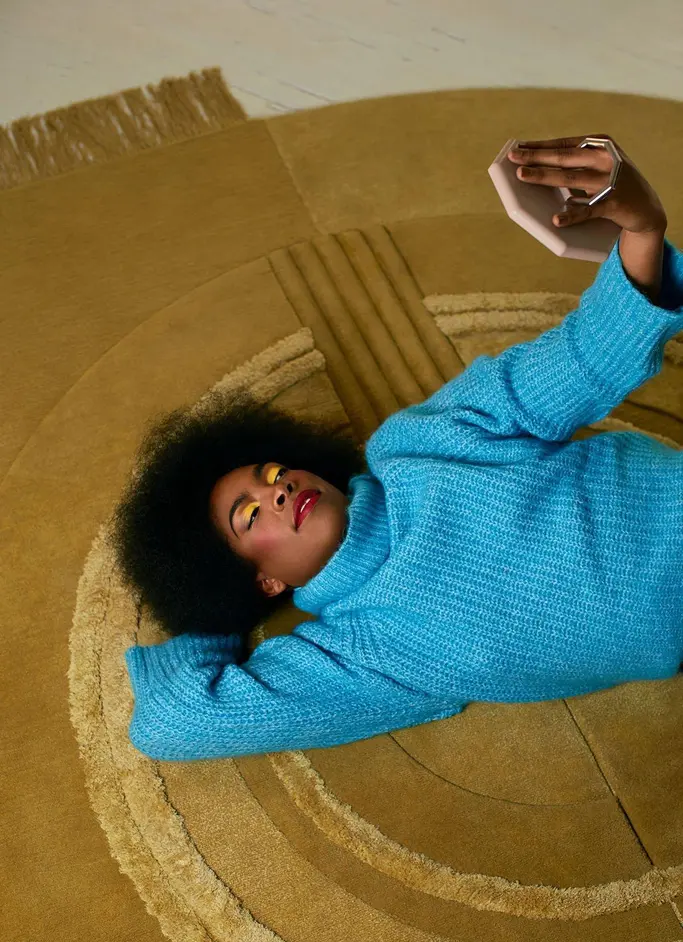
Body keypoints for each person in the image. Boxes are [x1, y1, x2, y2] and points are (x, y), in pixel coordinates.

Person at [113, 134, 683, 762]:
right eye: (249, 516)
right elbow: (171, 723)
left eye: (270, 472)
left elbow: (578, 362)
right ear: (264, 581)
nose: (277, 489)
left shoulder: (416, 445)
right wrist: (214, 617)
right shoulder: (364, 654)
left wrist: (642, 229)